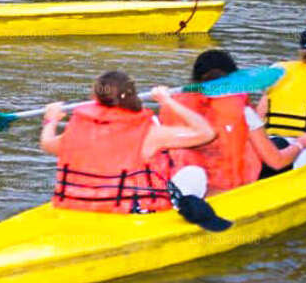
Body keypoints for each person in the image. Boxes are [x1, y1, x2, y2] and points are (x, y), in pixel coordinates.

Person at [41, 70, 215, 214]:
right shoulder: (149, 132)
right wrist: (167, 101)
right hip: (128, 211)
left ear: (95, 96)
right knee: (195, 173)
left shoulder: (77, 128)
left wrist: (51, 120)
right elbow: (205, 133)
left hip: (75, 205)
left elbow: (47, 144)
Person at [159, 50, 306, 193]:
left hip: (188, 183)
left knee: (274, 142)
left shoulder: (172, 106)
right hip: (228, 189)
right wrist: (301, 143)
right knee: (284, 146)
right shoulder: (243, 111)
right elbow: (276, 162)